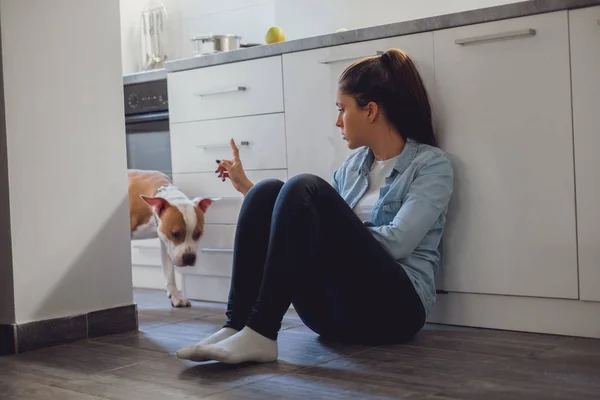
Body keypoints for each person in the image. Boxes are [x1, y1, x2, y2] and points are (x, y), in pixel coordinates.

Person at [176, 48, 454, 365]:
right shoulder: (352, 168)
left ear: (371, 111)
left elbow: (398, 242)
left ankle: (262, 331)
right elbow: (307, 222)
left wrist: (329, 234)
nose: (337, 121)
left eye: (342, 109)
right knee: (266, 192)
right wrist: (247, 190)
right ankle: (237, 325)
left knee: (303, 186)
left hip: (394, 313)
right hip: (332, 316)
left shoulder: (431, 166)